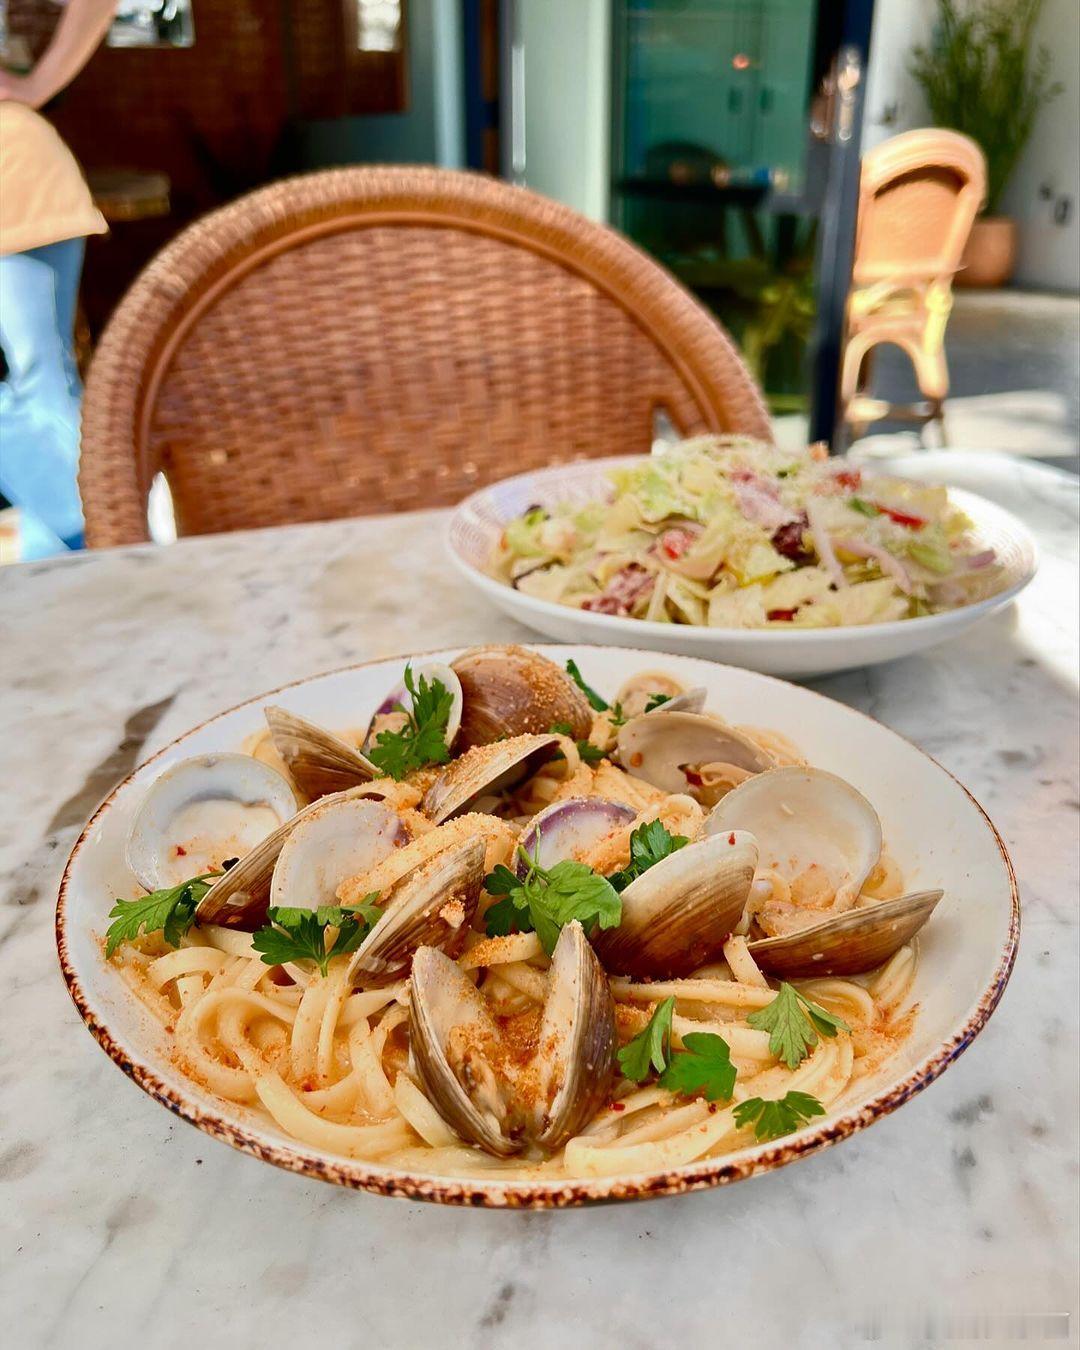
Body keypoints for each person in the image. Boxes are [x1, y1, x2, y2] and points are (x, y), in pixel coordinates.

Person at [0, 0, 116, 559]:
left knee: (40, 384)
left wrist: (40, 82)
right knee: (37, 390)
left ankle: (101, 548)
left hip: (12, 168)